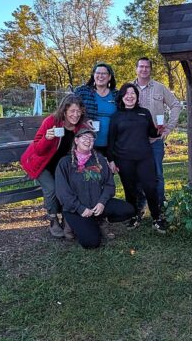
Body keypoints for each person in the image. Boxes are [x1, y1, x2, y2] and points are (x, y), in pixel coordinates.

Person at [54, 128, 136, 248]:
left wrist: (102, 203)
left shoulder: (100, 160)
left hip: (97, 204)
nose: (88, 141)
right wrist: (80, 208)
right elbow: (62, 192)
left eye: (91, 139)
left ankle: (99, 218)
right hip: (76, 210)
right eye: (85, 138)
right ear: (76, 140)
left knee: (129, 210)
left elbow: (109, 184)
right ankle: (72, 224)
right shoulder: (65, 163)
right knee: (91, 243)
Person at [20, 94, 87, 240]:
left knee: (68, 187)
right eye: (72, 111)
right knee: (51, 189)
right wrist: (47, 138)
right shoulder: (51, 121)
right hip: (40, 163)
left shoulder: (81, 126)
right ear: (64, 111)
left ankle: (67, 218)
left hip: (60, 166)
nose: (75, 115)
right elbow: (38, 149)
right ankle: (53, 220)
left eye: (78, 111)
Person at [108, 83, 166, 233]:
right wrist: (111, 160)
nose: (130, 96)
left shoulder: (144, 113)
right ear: (121, 97)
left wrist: (159, 130)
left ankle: (156, 217)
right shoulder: (116, 116)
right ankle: (134, 216)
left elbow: (152, 133)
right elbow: (111, 140)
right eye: (126, 93)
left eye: (133, 93)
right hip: (124, 159)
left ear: (137, 96)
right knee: (130, 189)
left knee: (150, 187)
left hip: (144, 158)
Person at [132, 57, 182, 207]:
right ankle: (140, 206)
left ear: (150, 69)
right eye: (141, 66)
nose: (144, 69)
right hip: (135, 141)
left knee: (157, 175)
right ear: (136, 69)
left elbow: (176, 105)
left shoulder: (160, 88)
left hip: (155, 141)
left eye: (147, 67)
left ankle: (159, 205)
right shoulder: (128, 88)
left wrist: (169, 127)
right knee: (137, 175)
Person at [74, 63, 118, 158]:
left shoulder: (116, 95)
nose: (100, 76)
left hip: (111, 143)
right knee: (88, 170)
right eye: (98, 73)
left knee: (107, 170)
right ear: (93, 75)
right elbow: (70, 111)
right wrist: (84, 120)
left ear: (109, 77)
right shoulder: (82, 92)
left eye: (104, 73)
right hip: (86, 141)